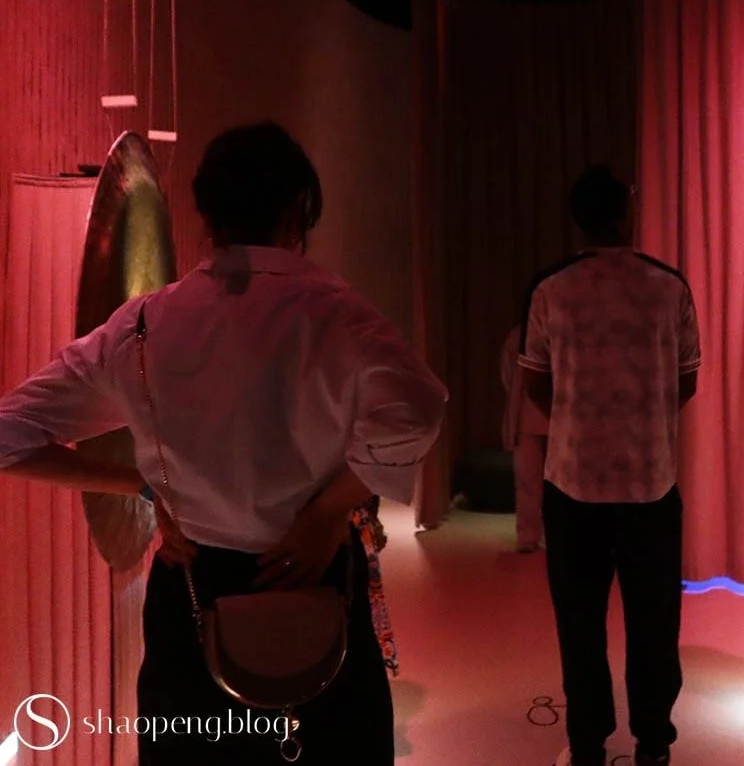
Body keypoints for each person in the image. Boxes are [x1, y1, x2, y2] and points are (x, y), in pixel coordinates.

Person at [0, 122, 448, 764]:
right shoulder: (335, 311)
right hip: (313, 573)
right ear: (299, 211)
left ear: (204, 215)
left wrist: (142, 486)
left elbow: (8, 436)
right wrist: (324, 514)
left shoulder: (145, 324)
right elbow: (419, 414)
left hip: (192, 585)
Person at [519, 165, 700, 766]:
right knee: (655, 625)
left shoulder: (549, 289)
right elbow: (687, 381)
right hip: (651, 481)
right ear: (626, 211)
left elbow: (537, 385)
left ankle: (590, 744)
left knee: (580, 624)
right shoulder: (668, 286)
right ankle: (653, 743)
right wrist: (641, 412)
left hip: (571, 484)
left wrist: (580, 414)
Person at [500, 323, 549, 552]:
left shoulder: (567, 329)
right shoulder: (518, 336)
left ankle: (537, 536)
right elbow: (509, 375)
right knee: (528, 481)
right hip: (530, 418)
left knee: (536, 483)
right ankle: (529, 537)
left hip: (559, 419)